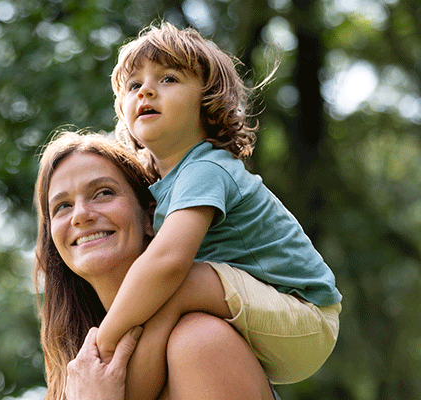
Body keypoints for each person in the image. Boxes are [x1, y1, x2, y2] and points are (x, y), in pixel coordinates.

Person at [93, 20, 342, 397]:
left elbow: (168, 261)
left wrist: (105, 339)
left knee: (177, 283)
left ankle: (114, 384)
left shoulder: (206, 168)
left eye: (168, 79)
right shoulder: (163, 182)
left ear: (208, 99)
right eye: (133, 85)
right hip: (256, 319)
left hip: (305, 314)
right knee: (170, 301)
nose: (146, 90)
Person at [34, 130, 276, 399]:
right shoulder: (80, 379)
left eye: (103, 193)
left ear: (150, 216)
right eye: (62, 206)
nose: (80, 215)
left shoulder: (199, 340)